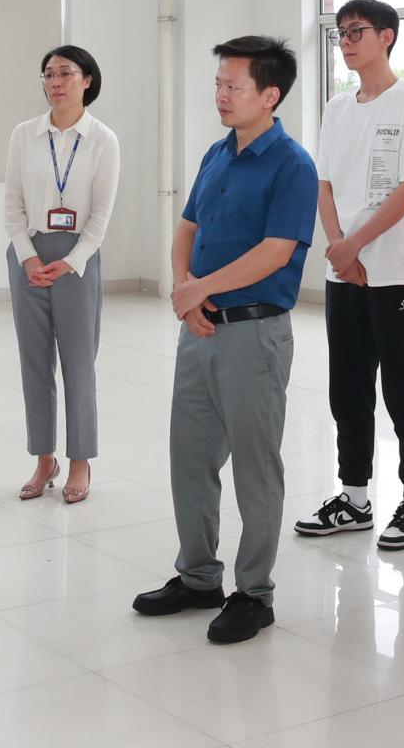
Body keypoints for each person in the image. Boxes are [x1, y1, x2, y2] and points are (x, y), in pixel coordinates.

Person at [133, 37, 317, 645]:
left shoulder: (292, 165)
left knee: (255, 468)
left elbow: (276, 252)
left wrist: (200, 288)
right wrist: (186, 290)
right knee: (189, 458)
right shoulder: (217, 153)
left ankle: (254, 593)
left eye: (233, 86)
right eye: (218, 84)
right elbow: (187, 228)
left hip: (254, 334)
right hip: (201, 329)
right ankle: (198, 578)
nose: (221, 95)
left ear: (270, 95)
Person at [294, 0, 404, 551]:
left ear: (387, 37)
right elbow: (325, 184)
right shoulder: (337, 108)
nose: (347, 42)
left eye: (357, 31)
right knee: (348, 390)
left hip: (398, 273)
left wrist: (353, 244)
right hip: (345, 273)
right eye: (341, 33)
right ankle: (354, 497)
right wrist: (340, 249)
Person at [6, 45, 120, 505]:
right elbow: (13, 204)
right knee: (34, 363)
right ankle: (44, 459)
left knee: (78, 363)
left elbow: (101, 214)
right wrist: (27, 257)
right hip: (29, 257)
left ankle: (80, 462)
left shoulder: (102, 140)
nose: (56, 82)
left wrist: (73, 260)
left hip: (77, 260)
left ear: (87, 80)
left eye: (66, 73)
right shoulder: (24, 135)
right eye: (49, 74)